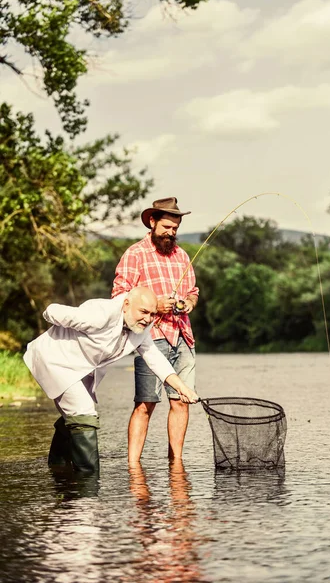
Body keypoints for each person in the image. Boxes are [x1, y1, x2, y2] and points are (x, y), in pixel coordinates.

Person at [23, 286, 198, 474]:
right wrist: (55, 320)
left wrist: (182, 388)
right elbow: (52, 311)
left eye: (152, 314)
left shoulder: (140, 327)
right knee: (83, 413)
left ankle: (58, 468)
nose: (148, 319)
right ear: (126, 304)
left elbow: (155, 359)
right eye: (143, 312)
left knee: (75, 416)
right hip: (55, 361)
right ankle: (88, 482)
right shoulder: (98, 314)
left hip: (80, 368)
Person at [112, 197, 199, 463]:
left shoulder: (182, 255)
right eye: (166, 227)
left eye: (175, 228)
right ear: (152, 222)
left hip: (183, 337)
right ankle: (133, 464)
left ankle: (176, 462)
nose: (171, 233)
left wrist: (187, 303)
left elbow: (193, 293)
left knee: (181, 401)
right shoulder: (135, 254)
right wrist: (155, 305)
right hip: (150, 338)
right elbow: (119, 296)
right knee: (145, 403)